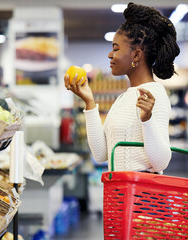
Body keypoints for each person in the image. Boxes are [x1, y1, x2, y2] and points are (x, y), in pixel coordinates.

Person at [64, 2, 180, 173]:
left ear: (136, 55)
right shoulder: (124, 98)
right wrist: (89, 101)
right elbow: (101, 154)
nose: (110, 55)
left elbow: (161, 163)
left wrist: (147, 119)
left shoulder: (154, 94)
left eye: (116, 49)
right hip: (119, 196)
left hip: (141, 197)